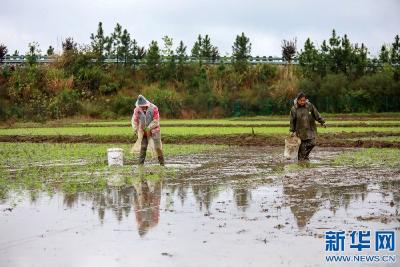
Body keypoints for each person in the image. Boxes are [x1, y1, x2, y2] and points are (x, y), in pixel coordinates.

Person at [289, 92, 325, 161]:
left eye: (304, 100)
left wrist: (322, 121)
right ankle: (302, 162)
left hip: (310, 130)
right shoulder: (294, 109)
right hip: (300, 132)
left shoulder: (309, 106)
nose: (303, 102)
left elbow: (316, 114)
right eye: (301, 101)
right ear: (297, 100)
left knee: (313, 143)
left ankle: (305, 156)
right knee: (302, 150)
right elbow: (292, 121)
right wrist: (291, 131)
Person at [131, 95, 165, 166]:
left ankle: (162, 163)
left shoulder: (154, 108)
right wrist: (136, 129)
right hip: (144, 132)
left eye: (143, 106)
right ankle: (140, 164)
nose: (142, 107)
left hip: (154, 131)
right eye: (141, 106)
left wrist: (149, 128)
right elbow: (135, 120)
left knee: (158, 147)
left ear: (146, 104)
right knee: (143, 147)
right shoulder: (137, 110)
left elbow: (156, 121)